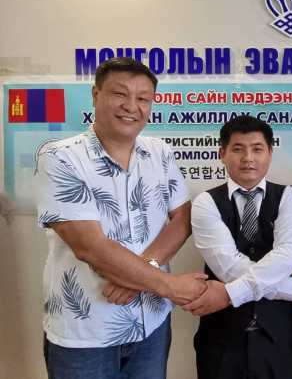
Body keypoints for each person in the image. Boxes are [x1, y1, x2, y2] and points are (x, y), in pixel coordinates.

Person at [33, 57, 207, 379]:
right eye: (120, 94)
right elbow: (90, 247)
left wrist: (143, 271)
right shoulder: (60, 157)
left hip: (151, 323)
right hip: (86, 332)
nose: (131, 106)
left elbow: (183, 218)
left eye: (143, 98)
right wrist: (169, 285)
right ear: (96, 95)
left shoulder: (160, 152)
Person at [184, 115, 292, 379]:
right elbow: (228, 268)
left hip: (277, 338)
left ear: (270, 154)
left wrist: (228, 294)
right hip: (221, 338)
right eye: (238, 149)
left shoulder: (288, 197)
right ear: (222, 154)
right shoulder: (206, 202)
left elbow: (287, 257)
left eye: (257, 149)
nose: (248, 158)